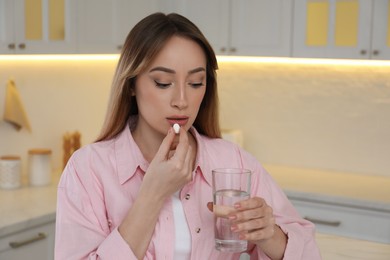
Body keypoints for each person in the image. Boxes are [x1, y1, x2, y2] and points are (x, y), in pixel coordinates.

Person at [55, 12, 321, 259]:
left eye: (195, 83)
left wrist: (269, 234)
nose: (182, 100)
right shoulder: (87, 169)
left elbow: (309, 252)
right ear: (132, 84)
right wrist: (152, 195)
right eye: (162, 83)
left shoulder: (233, 161)